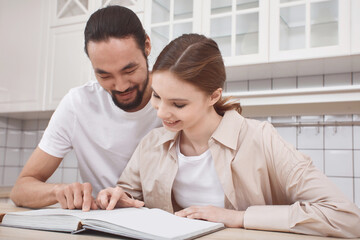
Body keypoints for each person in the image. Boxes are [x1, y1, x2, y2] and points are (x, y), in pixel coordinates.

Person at [96, 33, 360, 238]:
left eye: (178, 104)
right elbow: (128, 200)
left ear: (213, 96)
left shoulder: (260, 139)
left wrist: (238, 217)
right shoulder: (152, 144)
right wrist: (117, 200)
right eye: (156, 96)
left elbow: (346, 217)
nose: (161, 112)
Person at [10, 6, 161, 211]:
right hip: (105, 225)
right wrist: (58, 191)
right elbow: (21, 189)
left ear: (147, 45)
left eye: (129, 70)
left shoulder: (177, 97)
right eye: (105, 76)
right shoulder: (77, 105)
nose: (121, 86)